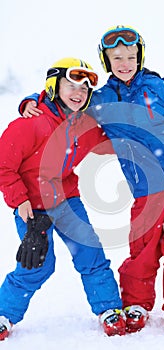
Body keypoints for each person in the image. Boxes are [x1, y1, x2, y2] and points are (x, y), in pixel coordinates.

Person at [17, 25, 164, 334]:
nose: (125, 63)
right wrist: (31, 99)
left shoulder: (159, 89)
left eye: (131, 57)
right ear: (107, 61)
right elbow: (68, 98)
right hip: (144, 189)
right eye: (117, 57)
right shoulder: (102, 99)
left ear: (140, 58)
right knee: (143, 246)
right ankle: (136, 302)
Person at [0, 57, 128, 341]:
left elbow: (109, 142)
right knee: (36, 265)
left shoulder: (82, 126)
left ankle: (107, 308)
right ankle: (4, 314)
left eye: (84, 89)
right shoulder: (30, 124)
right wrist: (21, 202)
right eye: (71, 85)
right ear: (54, 86)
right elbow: (3, 166)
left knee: (90, 253)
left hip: (67, 201)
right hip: (32, 207)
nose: (78, 93)